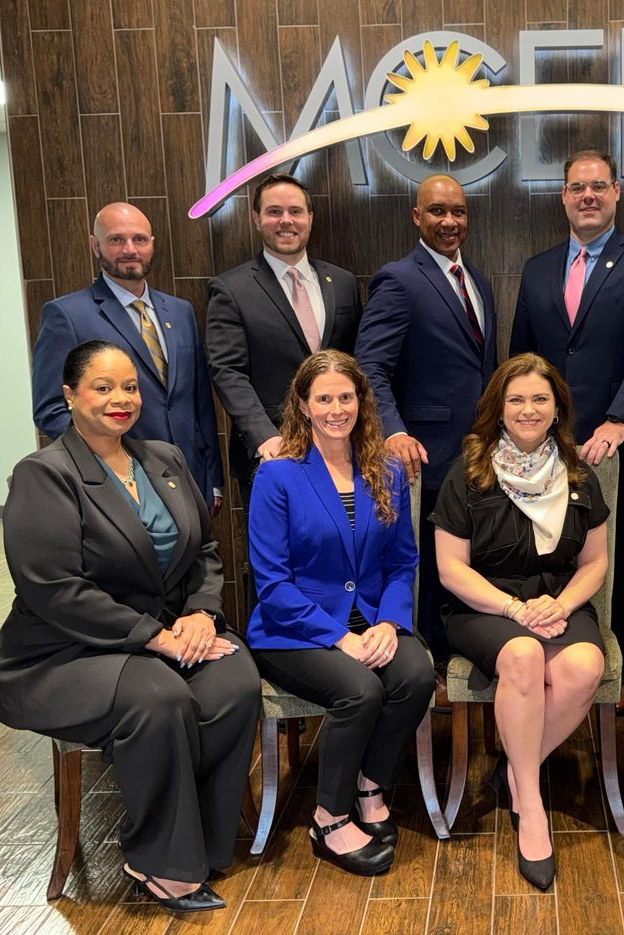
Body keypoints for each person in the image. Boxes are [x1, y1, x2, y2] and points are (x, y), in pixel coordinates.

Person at [0, 341, 259, 913]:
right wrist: (158, 638)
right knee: (158, 694)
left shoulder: (163, 457)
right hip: (61, 652)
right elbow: (56, 590)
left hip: (167, 635)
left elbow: (205, 552)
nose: (121, 399)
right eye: (103, 387)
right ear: (69, 396)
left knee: (235, 679)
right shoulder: (44, 474)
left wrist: (200, 614)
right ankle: (157, 859)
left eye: (131, 387)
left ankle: (204, 845)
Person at [246, 350, 435, 876]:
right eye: (323, 398)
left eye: (345, 397)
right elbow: (272, 583)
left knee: (417, 674)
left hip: (372, 616)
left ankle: (370, 784)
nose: (336, 408)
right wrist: (339, 637)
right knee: (360, 689)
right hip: (294, 629)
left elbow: (402, 562)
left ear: (361, 402)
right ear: (303, 406)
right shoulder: (278, 475)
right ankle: (328, 817)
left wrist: (389, 622)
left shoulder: (388, 470)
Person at [431, 353, 609, 892]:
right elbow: (449, 568)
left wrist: (560, 604)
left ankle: (516, 771)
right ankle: (531, 808)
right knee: (524, 656)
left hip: (558, 600)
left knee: (585, 666)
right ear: (497, 408)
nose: (528, 409)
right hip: (484, 604)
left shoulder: (578, 472)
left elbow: (596, 562)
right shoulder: (468, 471)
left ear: (557, 407)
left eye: (539, 399)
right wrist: (512, 610)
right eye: (516, 400)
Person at [510, 149, 624, 712]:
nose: (588, 195)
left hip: (622, 444)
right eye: (577, 186)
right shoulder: (536, 269)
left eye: (599, 186)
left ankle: (621, 669)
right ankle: (549, 654)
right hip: (545, 446)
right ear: (562, 196)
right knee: (545, 549)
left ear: (616, 193)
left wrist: (619, 418)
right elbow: (522, 361)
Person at [355, 174, 497, 674]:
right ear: (417, 217)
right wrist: (393, 431)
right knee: (429, 569)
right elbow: (369, 367)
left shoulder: (477, 280)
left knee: (466, 561)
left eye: (458, 211)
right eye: (437, 211)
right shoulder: (399, 278)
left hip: (476, 454)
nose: (449, 221)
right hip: (422, 458)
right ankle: (427, 670)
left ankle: (460, 655)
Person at [31, 202, 222, 511]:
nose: (130, 249)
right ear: (95, 245)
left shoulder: (181, 311)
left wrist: (213, 477)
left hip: (190, 478)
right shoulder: (66, 315)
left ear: (152, 244)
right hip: (120, 485)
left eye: (139, 239)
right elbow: (51, 409)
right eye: (116, 239)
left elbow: (199, 404)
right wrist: (103, 464)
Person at [206, 173, 361, 503]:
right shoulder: (231, 289)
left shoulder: (343, 283)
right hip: (273, 454)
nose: (286, 221)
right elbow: (227, 371)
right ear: (256, 218)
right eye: (274, 211)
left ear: (310, 218)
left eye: (295, 211)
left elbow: (354, 365)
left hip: (342, 451)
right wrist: (266, 438)